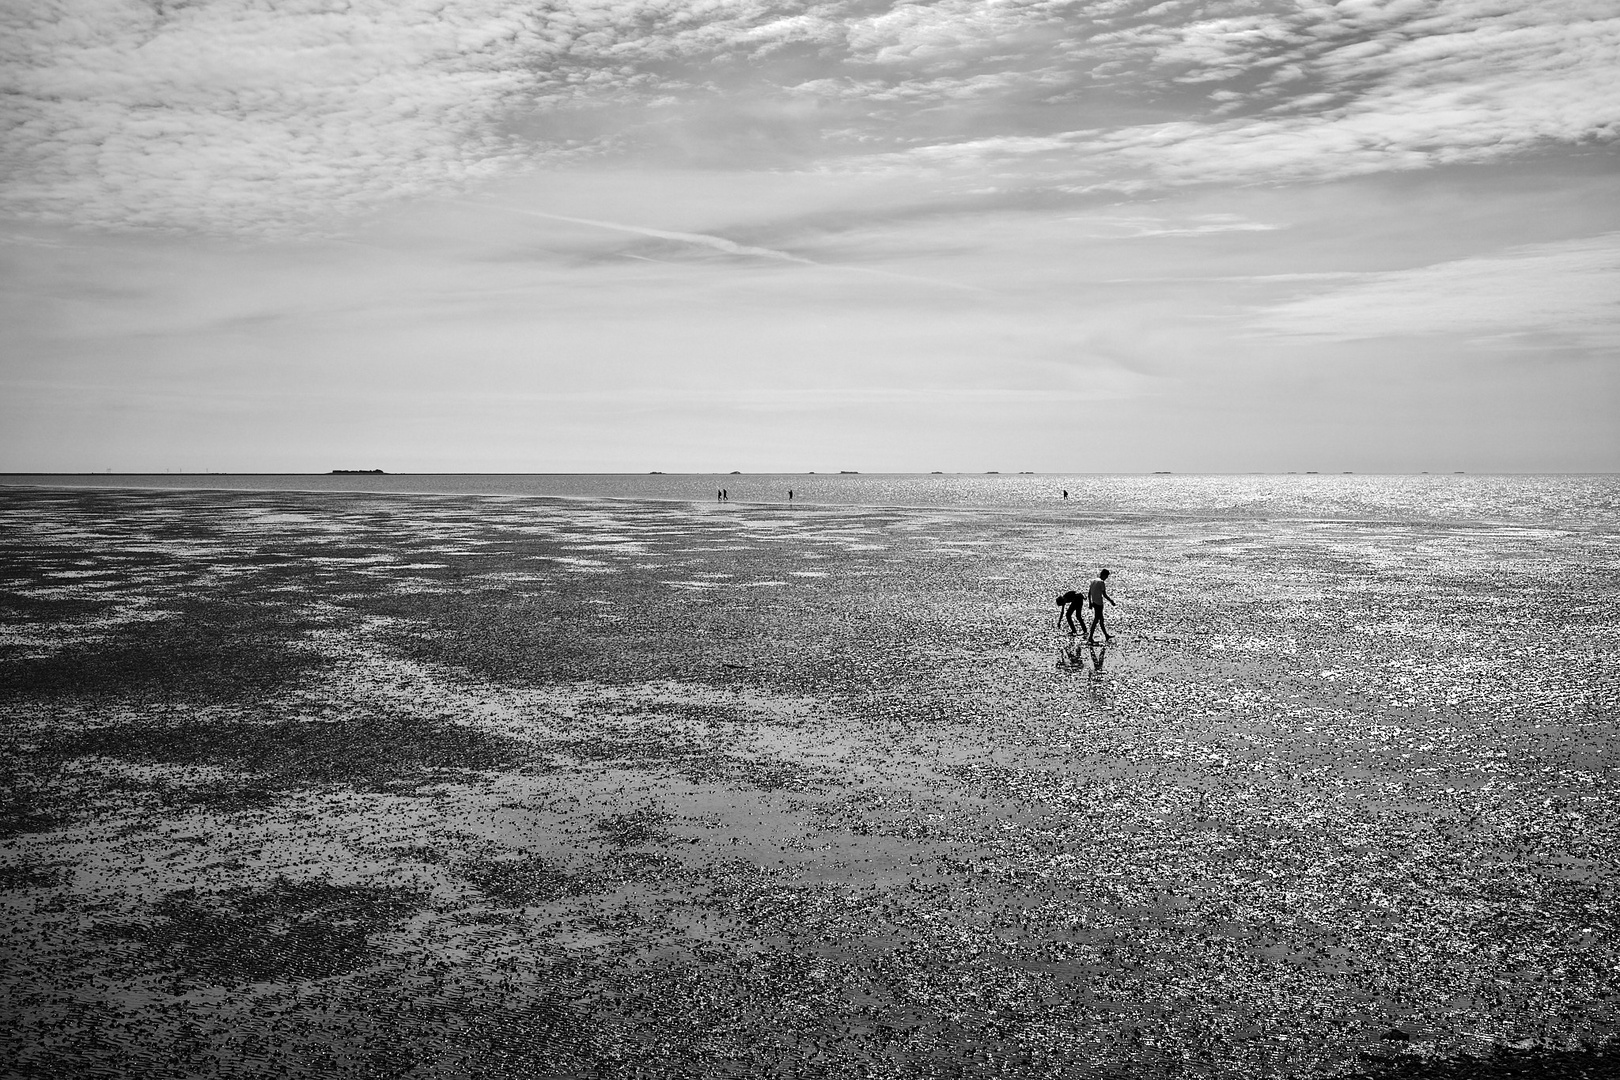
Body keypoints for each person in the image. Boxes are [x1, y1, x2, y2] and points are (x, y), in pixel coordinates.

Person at [1085, 568, 1116, 643]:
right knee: (1096, 620)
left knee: (1101, 620)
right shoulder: (1101, 582)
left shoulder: (1093, 581)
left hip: (1094, 602)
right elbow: (1104, 594)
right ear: (1104, 575)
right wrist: (1111, 601)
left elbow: (1089, 593)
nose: (1106, 578)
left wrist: (1090, 602)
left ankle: (1106, 635)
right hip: (1099, 603)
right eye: (1107, 576)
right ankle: (1090, 637)